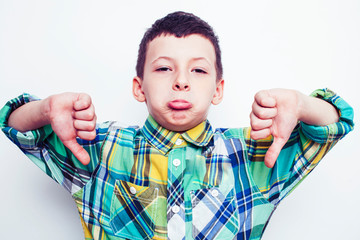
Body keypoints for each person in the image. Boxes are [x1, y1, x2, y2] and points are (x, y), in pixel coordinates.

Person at [0, 11, 354, 240]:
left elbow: (337, 122)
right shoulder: (100, 148)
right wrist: (44, 110)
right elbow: (17, 127)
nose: (181, 81)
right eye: (164, 68)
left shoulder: (255, 153)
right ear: (139, 87)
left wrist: (303, 104)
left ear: (218, 90)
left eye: (198, 70)